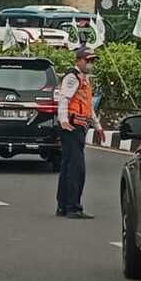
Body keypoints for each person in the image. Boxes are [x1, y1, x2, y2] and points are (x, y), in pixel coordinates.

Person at [56, 47, 103, 219]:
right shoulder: (72, 77)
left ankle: (63, 206)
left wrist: (97, 126)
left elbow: (89, 106)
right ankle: (73, 207)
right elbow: (64, 99)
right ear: (78, 60)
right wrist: (63, 121)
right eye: (88, 60)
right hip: (72, 127)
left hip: (79, 127)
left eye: (92, 61)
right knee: (76, 169)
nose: (90, 64)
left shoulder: (85, 80)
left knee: (68, 167)